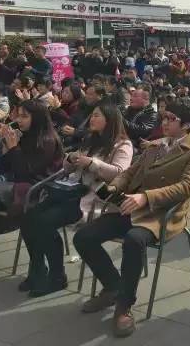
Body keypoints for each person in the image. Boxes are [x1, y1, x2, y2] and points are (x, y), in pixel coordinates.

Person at [73, 97, 190, 337]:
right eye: (164, 117)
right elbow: (130, 173)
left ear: (187, 125)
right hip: (133, 206)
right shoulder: (155, 146)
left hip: (163, 213)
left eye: (171, 119)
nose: (164, 122)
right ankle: (113, 286)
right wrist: (114, 187)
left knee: (134, 241)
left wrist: (146, 197)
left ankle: (124, 305)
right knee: (83, 237)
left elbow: (187, 186)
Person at [19, 102, 133, 297]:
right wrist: (71, 159)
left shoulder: (123, 145)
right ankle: (37, 269)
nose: (92, 119)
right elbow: (68, 168)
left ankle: (57, 276)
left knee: (44, 222)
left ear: (110, 120)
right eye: (92, 115)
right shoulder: (91, 139)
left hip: (92, 199)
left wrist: (92, 163)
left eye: (97, 115)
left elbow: (120, 173)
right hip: (70, 191)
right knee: (29, 217)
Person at [0, 100, 64, 236]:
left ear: (37, 118)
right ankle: (0, 224)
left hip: (39, 189)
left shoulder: (47, 140)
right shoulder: (25, 135)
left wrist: (14, 148)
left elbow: (25, 175)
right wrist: (5, 146)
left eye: (24, 116)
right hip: (19, 183)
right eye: (18, 115)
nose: (19, 120)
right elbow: (4, 168)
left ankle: (4, 223)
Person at [121, 84, 158, 148]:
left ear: (146, 98)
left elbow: (142, 131)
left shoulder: (152, 115)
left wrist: (121, 120)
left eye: (135, 96)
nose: (131, 98)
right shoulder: (128, 110)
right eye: (131, 95)